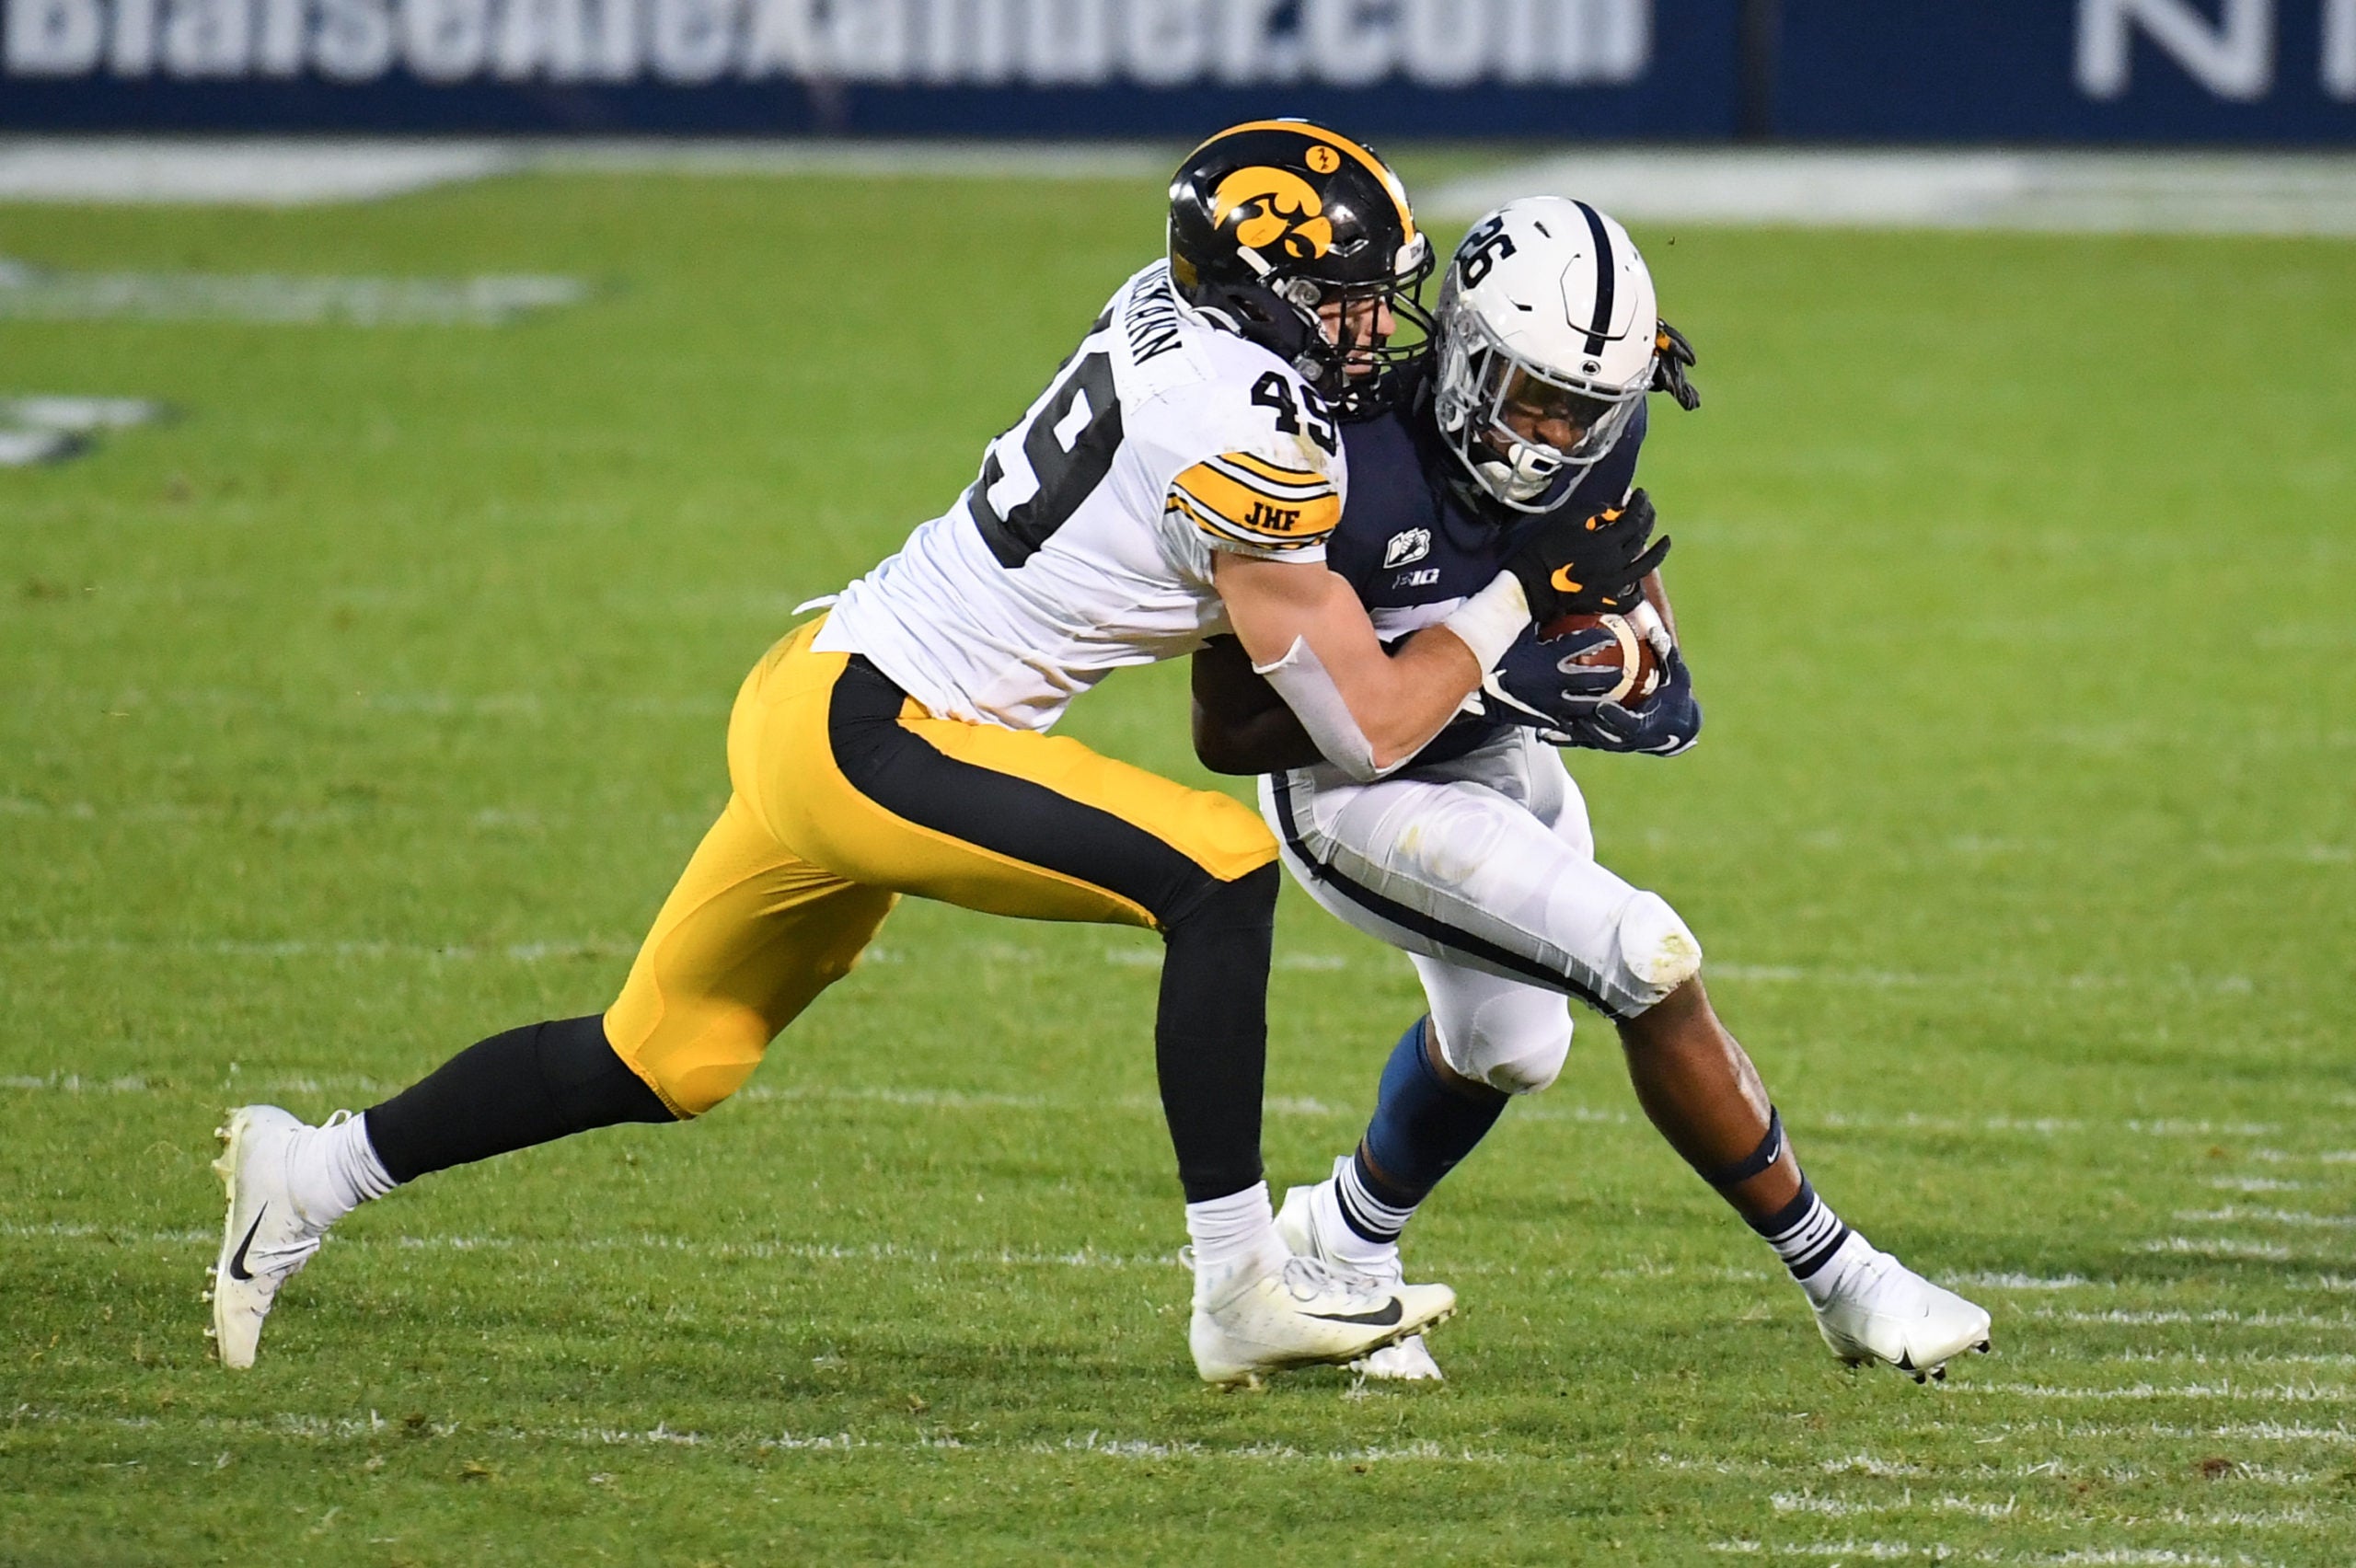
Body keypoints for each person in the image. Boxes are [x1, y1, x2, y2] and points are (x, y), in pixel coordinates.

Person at [206, 126, 1669, 1389]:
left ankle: (310, 1169)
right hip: (877, 730)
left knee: (669, 1056)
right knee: (1220, 872)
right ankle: (1239, 1293)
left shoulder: (1174, 314)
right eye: (1347, 304)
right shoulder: (1248, 425)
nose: (1376, 332)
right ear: (1267, 299)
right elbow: (1372, 727)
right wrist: (1515, 590)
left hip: (828, 691)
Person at [1190, 197, 1993, 1383]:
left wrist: (1622, 655)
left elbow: (1652, 665)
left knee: (1511, 1047)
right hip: (1346, 792)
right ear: (1464, 351)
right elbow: (1230, 727)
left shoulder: (1595, 436)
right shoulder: (1334, 453)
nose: (1557, 432)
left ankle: (1342, 1245)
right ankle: (1843, 1277)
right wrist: (1495, 660)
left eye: (1586, 407)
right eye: (1533, 396)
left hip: (1488, 762)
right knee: (1646, 953)